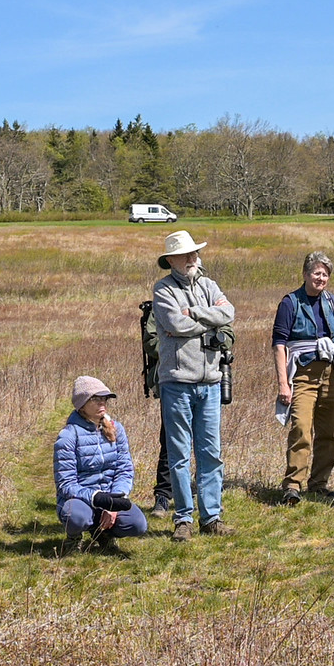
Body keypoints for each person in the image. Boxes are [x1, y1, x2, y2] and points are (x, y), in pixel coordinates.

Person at [150, 229, 236, 541]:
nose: (192, 259)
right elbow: (175, 323)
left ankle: (211, 517)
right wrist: (210, 321)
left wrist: (197, 313)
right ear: (171, 260)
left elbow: (229, 313)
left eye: (194, 253)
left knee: (211, 452)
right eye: (186, 255)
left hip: (211, 382)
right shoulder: (162, 291)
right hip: (177, 383)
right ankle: (183, 519)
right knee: (179, 453)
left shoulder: (210, 285)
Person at [271, 251, 334, 505]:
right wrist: (284, 383)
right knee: (301, 429)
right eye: (316, 273)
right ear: (305, 274)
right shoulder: (290, 302)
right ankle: (293, 485)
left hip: (330, 372)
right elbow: (279, 344)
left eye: (325, 274)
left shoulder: (332, 301)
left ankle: (319, 484)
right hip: (302, 374)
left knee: (330, 432)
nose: (321, 278)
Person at [54, 375, 148, 547]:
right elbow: (65, 484)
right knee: (76, 517)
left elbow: (124, 469)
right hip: (80, 500)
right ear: (82, 404)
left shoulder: (117, 428)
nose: (102, 403)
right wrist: (97, 498)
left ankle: (103, 534)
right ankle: (74, 537)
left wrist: (114, 502)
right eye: (96, 399)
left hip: (110, 496)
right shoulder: (67, 436)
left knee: (138, 524)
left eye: (104, 398)